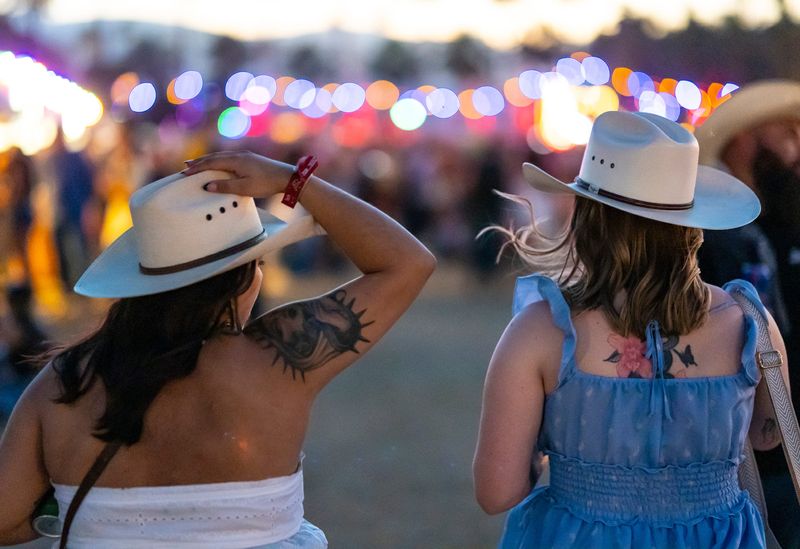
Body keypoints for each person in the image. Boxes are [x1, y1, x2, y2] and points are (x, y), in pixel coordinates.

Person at [0, 150, 435, 546]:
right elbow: (407, 262)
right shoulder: (273, 359)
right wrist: (294, 179)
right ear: (243, 278)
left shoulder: (65, 381)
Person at [473, 111, 787, 548]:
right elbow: (769, 437)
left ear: (589, 219)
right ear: (691, 223)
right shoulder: (750, 321)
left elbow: (496, 492)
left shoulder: (541, 329)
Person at [695, 80, 800, 547]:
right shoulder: (709, 233)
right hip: (746, 432)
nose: (795, 148)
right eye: (786, 135)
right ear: (743, 139)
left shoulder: (786, 214)